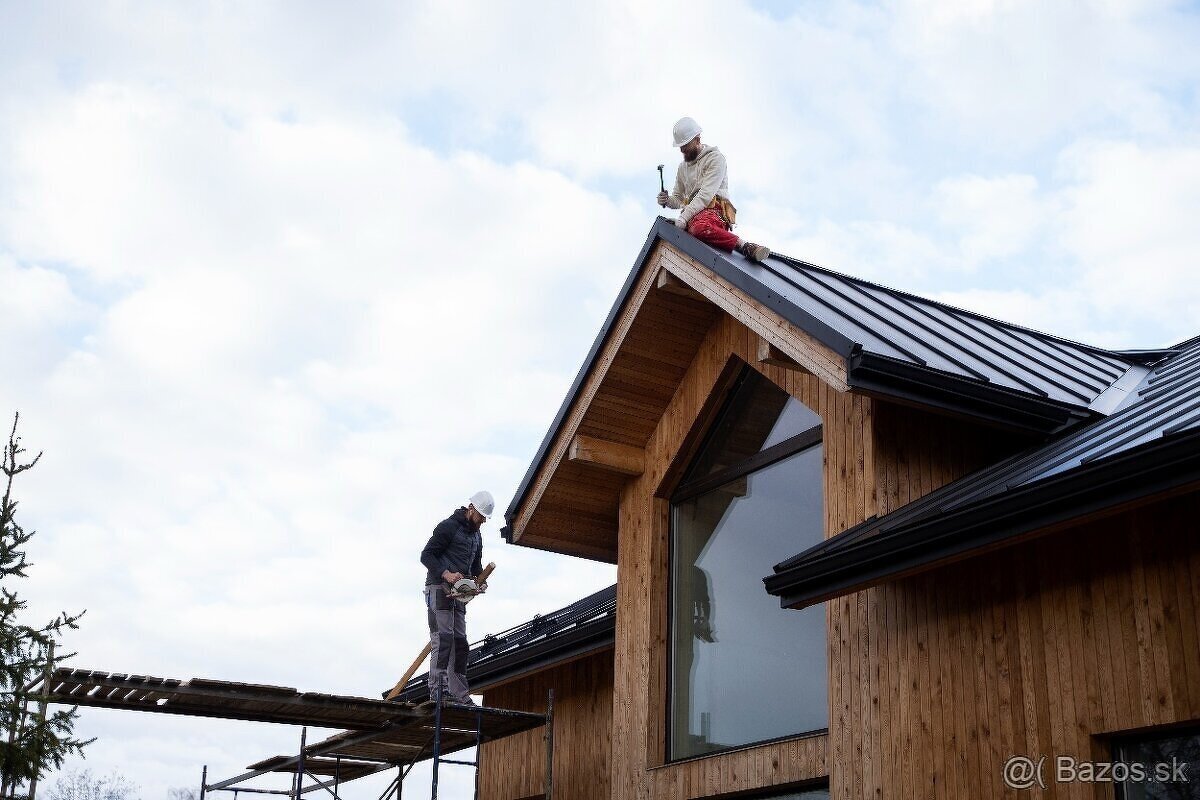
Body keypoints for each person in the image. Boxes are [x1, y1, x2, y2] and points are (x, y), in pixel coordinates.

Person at [657, 116, 771, 263]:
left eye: (685, 145)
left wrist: (683, 219)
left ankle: (744, 246)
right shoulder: (682, 168)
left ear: (697, 140)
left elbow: (705, 195)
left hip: (713, 211)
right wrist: (667, 201)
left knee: (699, 228)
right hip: (692, 214)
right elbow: (678, 199)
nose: (682, 150)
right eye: (681, 147)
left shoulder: (716, 159)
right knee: (674, 232)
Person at [419, 490, 494, 705]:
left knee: (460, 643)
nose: (482, 522)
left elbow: (476, 566)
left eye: (484, 519)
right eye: (480, 517)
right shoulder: (448, 527)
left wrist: (480, 581)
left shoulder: (477, 537)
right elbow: (427, 555)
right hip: (439, 589)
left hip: (459, 595)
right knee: (443, 639)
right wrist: (447, 573)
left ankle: (460, 694)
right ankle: (439, 691)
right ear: (471, 509)